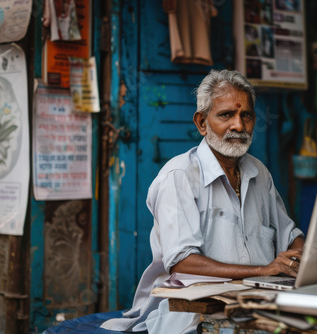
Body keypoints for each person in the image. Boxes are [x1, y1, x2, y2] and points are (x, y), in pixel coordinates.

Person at [101, 69, 305, 333]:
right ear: (201, 123)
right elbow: (182, 261)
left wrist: (301, 260)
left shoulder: (259, 173)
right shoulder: (179, 176)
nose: (239, 126)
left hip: (256, 305)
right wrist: (264, 270)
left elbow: (290, 236)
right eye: (226, 115)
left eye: (246, 115)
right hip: (192, 313)